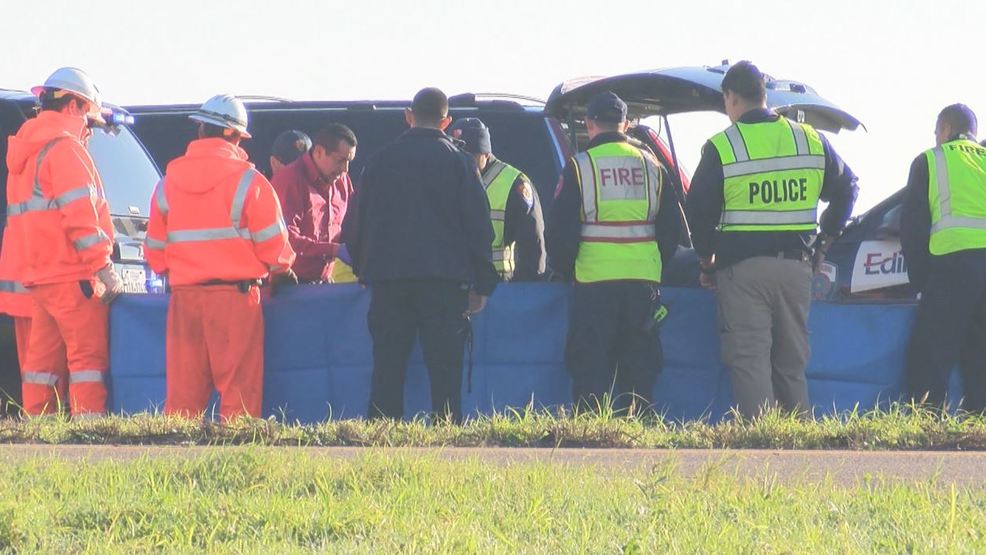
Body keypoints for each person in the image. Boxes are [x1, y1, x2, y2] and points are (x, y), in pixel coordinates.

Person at [685, 61, 858, 418]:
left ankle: (763, 450)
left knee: (751, 362)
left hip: (743, 274)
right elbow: (848, 188)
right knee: (791, 364)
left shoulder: (723, 145)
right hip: (797, 269)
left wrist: (706, 261)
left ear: (730, 98)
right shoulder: (808, 138)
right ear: (765, 95)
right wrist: (825, 238)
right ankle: (799, 450)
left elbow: (698, 211)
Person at [342, 87, 497, 422]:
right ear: (446, 121)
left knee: (387, 370)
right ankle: (445, 442)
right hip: (444, 286)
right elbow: (479, 227)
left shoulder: (379, 162)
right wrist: (482, 284)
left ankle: (382, 444)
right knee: (445, 374)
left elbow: (353, 224)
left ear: (408, 116)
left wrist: (364, 269)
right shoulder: (459, 162)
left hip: (388, 283)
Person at [144, 94, 296, 420]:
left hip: (184, 299)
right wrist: (281, 269)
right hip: (236, 300)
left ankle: (172, 464)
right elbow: (275, 246)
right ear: (235, 135)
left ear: (200, 129)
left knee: (183, 398)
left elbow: (155, 251)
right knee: (239, 394)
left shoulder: (167, 184)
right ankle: (236, 464)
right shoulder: (251, 182)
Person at [546, 91, 682, 415]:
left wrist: (567, 270)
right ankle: (638, 433)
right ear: (626, 124)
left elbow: (559, 232)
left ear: (590, 124)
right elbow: (672, 229)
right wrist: (653, 263)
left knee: (591, 367)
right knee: (639, 366)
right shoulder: (652, 167)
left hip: (594, 283)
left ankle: (591, 438)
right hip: (642, 284)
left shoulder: (580, 167)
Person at [4, 67, 123, 418]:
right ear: (73, 106)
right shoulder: (66, 150)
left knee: (41, 368)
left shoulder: (25, 154)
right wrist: (103, 267)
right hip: (75, 278)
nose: (89, 127)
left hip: (41, 280)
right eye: (87, 115)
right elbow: (81, 217)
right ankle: (88, 438)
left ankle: (37, 438)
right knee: (86, 361)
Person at [901, 104, 986, 411]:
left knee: (929, 359)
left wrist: (921, 281)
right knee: (980, 362)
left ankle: (925, 428)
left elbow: (912, 227)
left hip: (951, 268)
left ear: (947, 130)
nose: (936, 138)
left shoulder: (930, 160)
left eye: (937, 131)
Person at [447, 118, 546, 281]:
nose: (462, 161)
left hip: (498, 285)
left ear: (486, 154)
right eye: (456, 154)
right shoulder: (445, 177)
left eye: (470, 155)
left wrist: (526, 290)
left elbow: (532, 245)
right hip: (453, 283)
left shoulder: (514, 183)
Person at [271, 124, 356, 284]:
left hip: (324, 282)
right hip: (290, 285)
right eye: (340, 161)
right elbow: (286, 240)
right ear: (318, 152)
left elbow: (354, 223)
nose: (345, 169)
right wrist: (334, 250)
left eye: (349, 161)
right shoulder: (289, 181)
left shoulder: (342, 181)